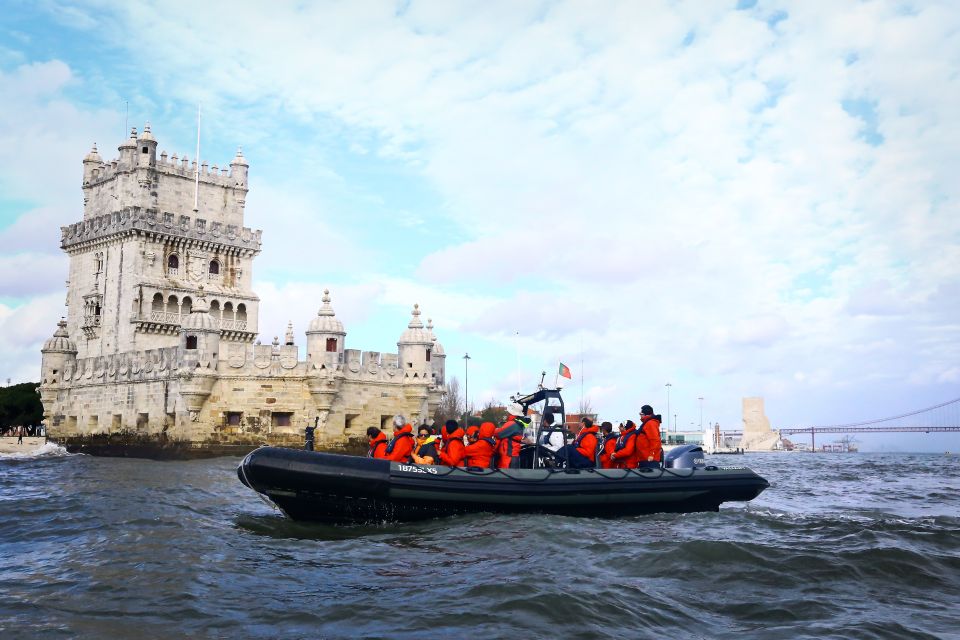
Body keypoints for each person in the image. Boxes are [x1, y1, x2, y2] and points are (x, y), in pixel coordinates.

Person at [495, 403, 528, 468]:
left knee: (506, 476)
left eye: (508, 412)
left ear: (511, 413)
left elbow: (498, 434)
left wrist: (494, 429)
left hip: (508, 457)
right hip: (513, 456)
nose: (507, 414)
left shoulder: (512, 424)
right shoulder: (518, 423)